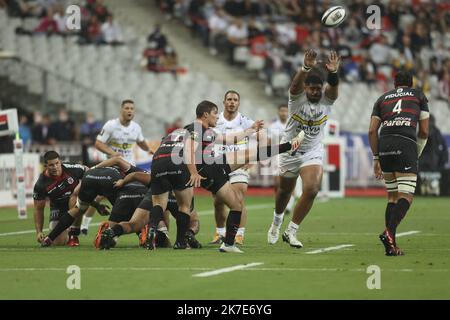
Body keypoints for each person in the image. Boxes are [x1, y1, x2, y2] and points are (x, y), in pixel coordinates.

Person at [180, 101, 303, 253]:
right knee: (248, 155)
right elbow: (188, 151)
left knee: (237, 205)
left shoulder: (207, 131)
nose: (217, 117)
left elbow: (230, 139)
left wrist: (250, 130)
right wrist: (193, 172)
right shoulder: (197, 128)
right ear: (205, 114)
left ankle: (229, 244)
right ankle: (289, 146)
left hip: (212, 168)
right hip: (208, 169)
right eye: (214, 113)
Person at [267, 49, 340, 248]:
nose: (316, 92)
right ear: (306, 88)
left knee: (312, 188)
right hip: (290, 151)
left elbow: (334, 88)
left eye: (319, 88)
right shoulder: (296, 100)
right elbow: (294, 86)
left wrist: (333, 73)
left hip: (311, 152)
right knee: (284, 192)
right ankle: (276, 222)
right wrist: (305, 67)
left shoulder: (327, 100)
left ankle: (291, 231)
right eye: (312, 89)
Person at [369, 70, 429, 256]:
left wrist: (376, 158)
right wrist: (416, 151)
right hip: (405, 143)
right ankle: (388, 233)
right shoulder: (418, 95)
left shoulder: (382, 98)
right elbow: (424, 131)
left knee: (392, 197)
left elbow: (372, 131)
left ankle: (391, 245)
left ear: (394, 84)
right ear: (411, 83)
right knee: (406, 196)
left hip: (385, 144)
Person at [83, 100, 151, 234]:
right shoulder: (111, 125)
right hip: (112, 167)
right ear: (121, 110)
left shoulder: (136, 127)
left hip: (129, 167)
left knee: (135, 194)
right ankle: (85, 224)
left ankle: (137, 226)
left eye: (132, 108)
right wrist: (113, 154)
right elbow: (98, 143)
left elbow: (141, 142)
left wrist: (149, 149)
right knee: (99, 195)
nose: (129, 110)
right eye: (127, 108)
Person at [210, 90, 255, 246]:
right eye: (229, 99)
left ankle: (239, 234)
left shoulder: (246, 121)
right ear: (224, 102)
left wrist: (252, 158)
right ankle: (220, 232)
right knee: (218, 201)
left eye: (235, 100)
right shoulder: (215, 120)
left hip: (238, 165)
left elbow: (261, 137)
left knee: (238, 198)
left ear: (239, 103)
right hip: (219, 164)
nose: (232, 102)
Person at [33, 151, 97, 246]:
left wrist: (80, 187)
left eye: (57, 163)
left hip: (76, 200)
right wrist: (39, 232)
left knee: (74, 198)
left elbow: (89, 172)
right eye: (51, 165)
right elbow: (38, 209)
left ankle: (73, 234)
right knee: (58, 242)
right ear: (45, 166)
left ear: (60, 162)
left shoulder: (72, 168)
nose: (55, 167)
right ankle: (66, 231)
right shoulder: (41, 184)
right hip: (58, 207)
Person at [268, 104, 296, 216]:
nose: (283, 113)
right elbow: (269, 142)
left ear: (288, 112)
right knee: (277, 183)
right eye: (282, 111)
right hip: (276, 156)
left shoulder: (292, 125)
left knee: (289, 181)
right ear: (278, 112)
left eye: (285, 111)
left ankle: (288, 206)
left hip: (290, 156)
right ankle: (279, 202)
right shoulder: (273, 126)